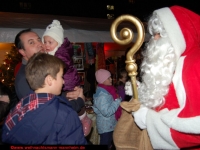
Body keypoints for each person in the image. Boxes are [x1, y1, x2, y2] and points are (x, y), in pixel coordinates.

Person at [123, 5, 200, 149]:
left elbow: (195, 128)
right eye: (153, 34)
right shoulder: (174, 61)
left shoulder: (195, 63)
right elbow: (169, 98)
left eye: (158, 33)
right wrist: (140, 92)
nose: (154, 39)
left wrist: (148, 118)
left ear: (176, 34)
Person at [2, 53, 87, 145]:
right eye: (61, 76)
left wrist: (78, 101)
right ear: (49, 80)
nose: (63, 81)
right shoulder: (67, 114)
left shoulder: (21, 105)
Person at [42, 20, 92, 136]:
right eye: (45, 42)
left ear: (58, 42)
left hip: (69, 83)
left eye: (50, 42)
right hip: (66, 83)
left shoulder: (61, 54)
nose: (47, 45)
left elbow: (57, 67)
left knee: (75, 101)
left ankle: (84, 118)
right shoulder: (54, 52)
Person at [92, 69, 122, 148]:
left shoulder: (108, 91)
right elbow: (107, 112)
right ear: (102, 80)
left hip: (110, 125)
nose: (111, 79)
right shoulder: (102, 95)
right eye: (109, 78)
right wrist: (117, 101)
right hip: (105, 127)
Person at [14, 29, 46, 100]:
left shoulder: (42, 67)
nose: (40, 44)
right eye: (31, 42)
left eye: (39, 40)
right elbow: (40, 108)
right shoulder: (24, 78)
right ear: (22, 52)